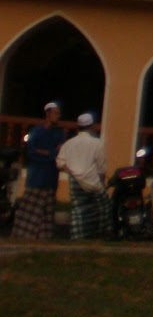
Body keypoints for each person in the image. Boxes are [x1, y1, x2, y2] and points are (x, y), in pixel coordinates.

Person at [15, 103, 67, 240]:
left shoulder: (59, 133)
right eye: (55, 113)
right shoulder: (36, 132)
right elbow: (31, 152)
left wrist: (45, 153)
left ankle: (44, 237)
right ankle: (24, 236)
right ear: (48, 114)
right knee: (30, 210)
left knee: (47, 210)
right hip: (36, 177)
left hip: (50, 177)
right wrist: (49, 154)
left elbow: (58, 153)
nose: (58, 116)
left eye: (59, 113)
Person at [56, 112, 109, 240]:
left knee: (78, 210)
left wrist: (72, 172)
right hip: (93, 182)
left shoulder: (69, 143)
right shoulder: (97, 143)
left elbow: (60, 162)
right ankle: (99, 235)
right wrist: (102, 181)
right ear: (91, 126)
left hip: (76, 182)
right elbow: (101, 168)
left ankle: (77, 236)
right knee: (102, 209)